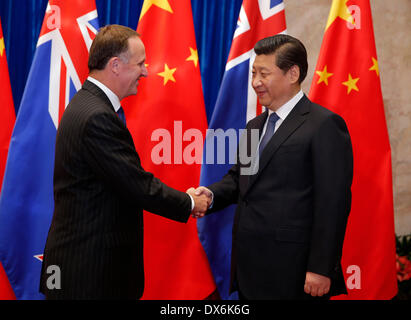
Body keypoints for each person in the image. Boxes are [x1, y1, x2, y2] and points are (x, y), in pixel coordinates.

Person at [39, 25, 209, 300]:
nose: (145, 71)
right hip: (88, 274)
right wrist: (190, 203)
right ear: (115, 65)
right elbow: (137, 185)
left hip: (79, 268)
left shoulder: (86, 104)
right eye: (140, 63)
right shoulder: (97, 117)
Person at [191, 34, 353, 300]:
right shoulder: (254, 126)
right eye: (254, 73)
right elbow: (239, 180)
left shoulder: (324, 125)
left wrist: (321, 268)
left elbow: (332, 203)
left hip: (295, 271)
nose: (255, 82)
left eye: (264, 74)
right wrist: (209, 195)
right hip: (249, 267)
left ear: (293, 74)